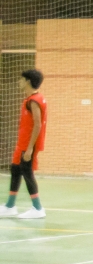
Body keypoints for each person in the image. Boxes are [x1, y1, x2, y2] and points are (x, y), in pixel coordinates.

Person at [1, 69, 47, 220]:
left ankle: (38, 208)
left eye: (21, 79)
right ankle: (10, 206)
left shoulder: (34, 101)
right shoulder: (30, 99)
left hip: (28, 146)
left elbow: (38, 125)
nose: (19, 81)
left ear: (28, 81)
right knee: (15, 170)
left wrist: (29, 149)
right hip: (22, 144)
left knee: (27, 173)